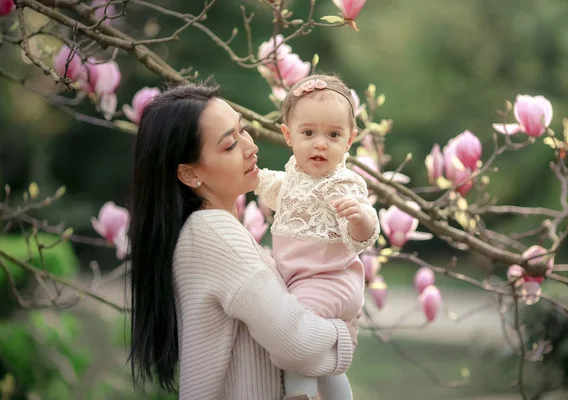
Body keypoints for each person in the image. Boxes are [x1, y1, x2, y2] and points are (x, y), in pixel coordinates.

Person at [126, 82, 359, 400]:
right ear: (190, 173)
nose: (251, 147)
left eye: (243, 130)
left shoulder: (212, 232)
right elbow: (297, 343)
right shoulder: (214, 234)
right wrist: (344, 333)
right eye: (229, 145)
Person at [254, 74, 380, 400]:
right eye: (308, 133)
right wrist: (249, 177)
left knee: (290, 330)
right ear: (288, 135)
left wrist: (361, 218)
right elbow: (271, 187)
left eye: (333, 134)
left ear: (349, 140)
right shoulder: (294, 177)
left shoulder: (343, 184)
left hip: (332, 280)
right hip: (301, 281)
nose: (320, 143)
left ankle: (299, 393)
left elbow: (361, 239)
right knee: (323, 362)